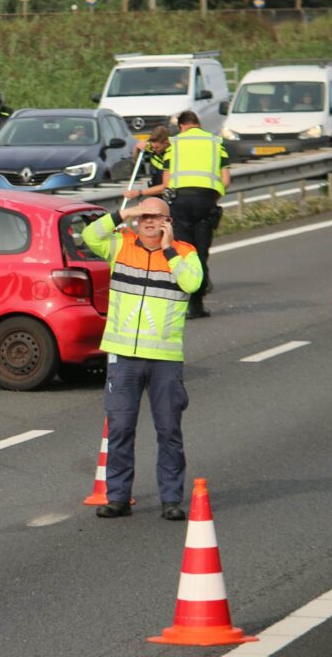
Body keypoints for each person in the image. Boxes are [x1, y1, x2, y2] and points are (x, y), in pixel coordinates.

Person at [81, 196, 204, 521]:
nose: (149, 221)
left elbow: (193, 283)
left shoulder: (186, 253)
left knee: (169, 431)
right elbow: (90, 236)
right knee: (120, 428)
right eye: (144, 216)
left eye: (157, 217)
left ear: (169, 222)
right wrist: (123, 212)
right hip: (124, 357)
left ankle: (171, 499)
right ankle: (118, 497)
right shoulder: (121, 245)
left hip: (164, 359)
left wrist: (169, 251)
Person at [161, 110, 230, 318]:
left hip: (180, 202)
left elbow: (165, 182)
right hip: (205, 200)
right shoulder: (216, 142)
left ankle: (188, 303)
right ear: (197, 124)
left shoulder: (173, 144)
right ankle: (198, 304)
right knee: (201, 251)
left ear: (181, 126)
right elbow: (225, 180)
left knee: (185, 251)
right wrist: (211, 200)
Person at [124, 125, 171, 200]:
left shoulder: (171, 154)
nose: (154, 150)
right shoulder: (152, 147)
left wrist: (139, 192)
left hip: (168, 193)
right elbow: (136, 159)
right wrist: (137, 148)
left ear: (166, 143)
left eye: (157, 148)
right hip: (155, 186)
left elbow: (166, 186)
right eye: (153, 147)